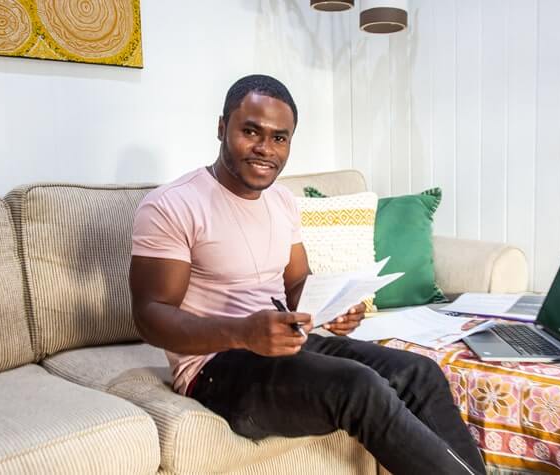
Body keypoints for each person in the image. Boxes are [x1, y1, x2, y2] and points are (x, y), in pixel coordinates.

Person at [129, 74, 486, 475]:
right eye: (251, 131)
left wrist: (333, 308)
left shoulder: (282, 201)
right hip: (215, 370)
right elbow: (151, 317)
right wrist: (243, 333)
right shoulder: (171, 205)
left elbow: (298, 284)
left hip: (285, 347)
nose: (265, 149)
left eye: (280, 138)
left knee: (419, 371)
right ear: (221, 127)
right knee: (358, 387)